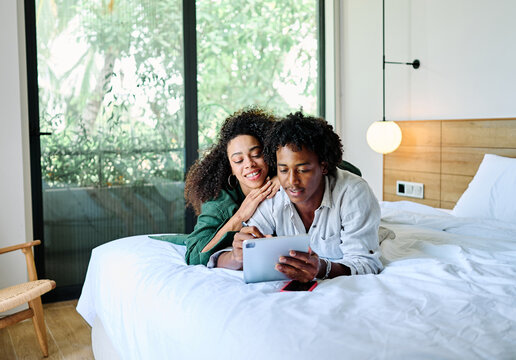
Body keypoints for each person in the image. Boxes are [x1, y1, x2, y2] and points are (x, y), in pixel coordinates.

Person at [215, 111, 383, 282]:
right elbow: (232, 255)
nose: (292, 181)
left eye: (302, 170)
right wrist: (237, 256)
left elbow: (365, 263)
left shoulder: (354, 193)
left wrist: (321, 268)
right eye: (283, 170)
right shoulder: (273, 196)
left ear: (323, 166)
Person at [150, 107, 279, 265]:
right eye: (239, 160)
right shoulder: (219, 201)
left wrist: (282, 177)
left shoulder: (285, 182)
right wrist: (240, 216)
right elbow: (194, 255)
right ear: (230, 168)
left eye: (256, 154)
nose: (249, 164)